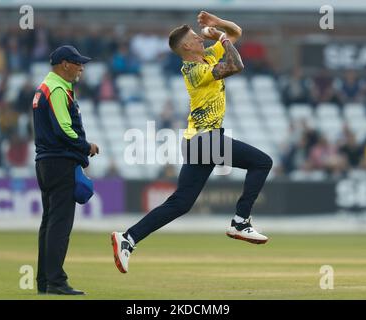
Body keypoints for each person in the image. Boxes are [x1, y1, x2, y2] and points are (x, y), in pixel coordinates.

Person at [111, 11, 273, 273]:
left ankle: (128, 239)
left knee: (180, 203)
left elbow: (236, 34)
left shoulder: (207, 57)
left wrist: (218, 23)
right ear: (186, 46)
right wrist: (220, 36)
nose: (201, 39)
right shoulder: (194, 70)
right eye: (197, 38)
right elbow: (236, 65)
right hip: (204, 140)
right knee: (262, 162)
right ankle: (241, 221)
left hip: (199, 142)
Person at [32, 45, 99, 294]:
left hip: (46, 163)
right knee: (60, 225)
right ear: (64, 64)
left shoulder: (47, 87)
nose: (81, 67)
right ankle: (56, 282)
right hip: (59, 162)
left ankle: (44, 281)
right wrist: (86, 147)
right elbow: (63, 129)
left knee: (49, 223)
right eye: (77, 62)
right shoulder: (57, 88)